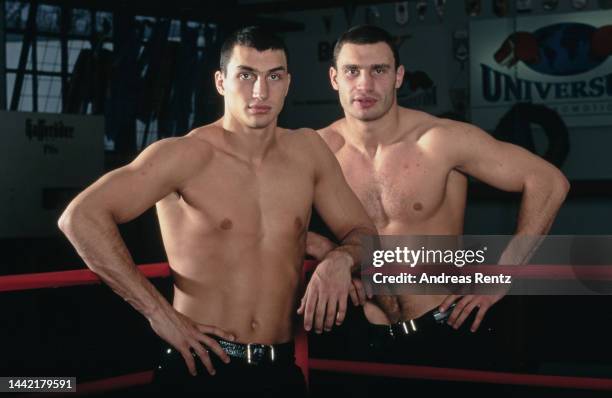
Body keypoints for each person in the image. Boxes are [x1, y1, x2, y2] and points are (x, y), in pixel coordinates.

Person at [58, 26, 376, 395]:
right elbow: (80, 217)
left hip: (279, 368)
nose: (261, 92)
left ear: (288, 82)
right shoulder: (184, 155)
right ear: (220, 82)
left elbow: (365, 235)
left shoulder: (308, 151)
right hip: (201, 364)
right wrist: (159, 315)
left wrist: (340, 260)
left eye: (274, 76)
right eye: (246, 76)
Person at [307, 25, 569, 370]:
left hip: (445, 325)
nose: (365, 85)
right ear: (334, 78)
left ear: (399, 76)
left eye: (379, 70)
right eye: (352, 71)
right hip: (359, 331)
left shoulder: (440, 140)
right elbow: (262, 218)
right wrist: (328, 253)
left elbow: (549, 181)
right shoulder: (316, 151)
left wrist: (504, 275)